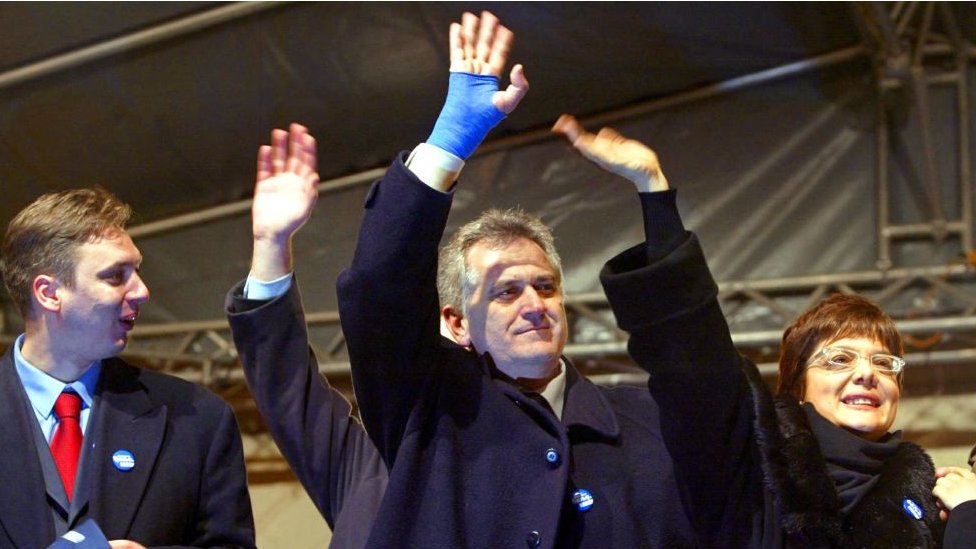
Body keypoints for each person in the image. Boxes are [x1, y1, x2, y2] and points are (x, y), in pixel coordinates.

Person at [336, 11, 696, 548]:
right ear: (456, 321)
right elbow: (378, 288)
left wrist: (653, 190)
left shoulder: (646, 419)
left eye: (545, 286)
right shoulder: (426, 407)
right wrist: (450, 142)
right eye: (506, 291)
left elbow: (697, 353)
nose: (534, 304)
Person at [571, 114, 976, 548]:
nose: (867, 374)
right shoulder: (756, 460)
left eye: (884, 363)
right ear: (798, 384)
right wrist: (654, 192)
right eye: (839, 359)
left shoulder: (930, 500)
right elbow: (694, 356)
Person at [0, 187, 255, 548]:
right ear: (48, 293)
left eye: (136, 270)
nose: (142, 291)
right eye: (115, 276)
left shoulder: (196, 419)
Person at [225, 123, 387, 549]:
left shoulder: (537, 455)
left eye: (544, 288)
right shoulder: (368, 469)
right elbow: (287, 387)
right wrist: (271, 243)